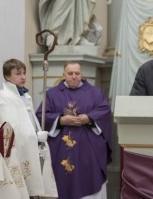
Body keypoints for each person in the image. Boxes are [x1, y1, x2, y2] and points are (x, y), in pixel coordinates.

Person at [36, 61, 112, 199]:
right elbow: (41, 115)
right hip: (60, 147)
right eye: (70, 73)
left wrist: (89, 118)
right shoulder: (52, 94)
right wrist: (60, 120)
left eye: (77, 73)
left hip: (88, 147)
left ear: (81, 74)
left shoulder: (95, 93)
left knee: (90, 177)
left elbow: (105, 111)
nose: (74, 76)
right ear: (64, 75)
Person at [0, 59, 58, 198]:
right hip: (18, 150)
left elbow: (28, 121)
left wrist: (38, 133)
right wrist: (34, 136)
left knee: (36, 186)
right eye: (18, 73)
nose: (23, 77)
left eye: (24, 73)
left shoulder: (24, 96)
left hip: (32, 144)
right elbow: (9, 128)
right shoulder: (3, 97)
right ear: (7, 76)